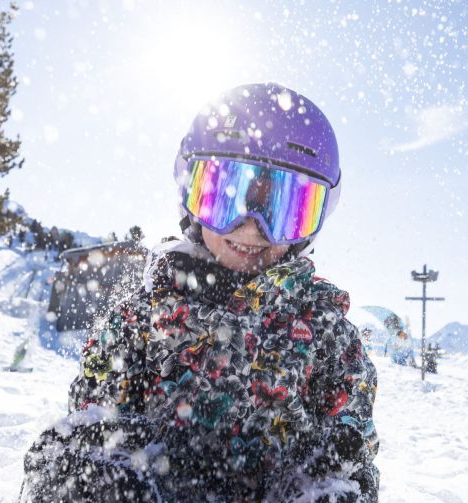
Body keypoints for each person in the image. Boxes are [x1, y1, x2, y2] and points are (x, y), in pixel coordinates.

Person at [21, 83, 379, 502]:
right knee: (69, 467)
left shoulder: (327, 335)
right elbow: (95, 420)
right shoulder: (142, 316)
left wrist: (326, 489)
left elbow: (346, 455)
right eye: (227, 197)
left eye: (282, 210)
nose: (251, 227)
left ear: (312, 222)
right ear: (191, 195)